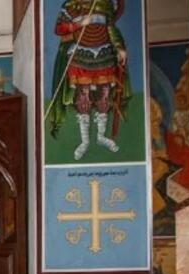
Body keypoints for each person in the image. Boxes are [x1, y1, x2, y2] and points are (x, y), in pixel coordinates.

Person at [47, 0, 131, 160]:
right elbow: (59, 29)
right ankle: (84, 141)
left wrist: (119, 47)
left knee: (104, 96)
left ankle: (101, 136)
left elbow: (111, 28)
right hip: (81, 55)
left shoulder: (105, 3)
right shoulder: (71, 5)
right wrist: (78, 25)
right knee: (82, 98)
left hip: (104, 54)